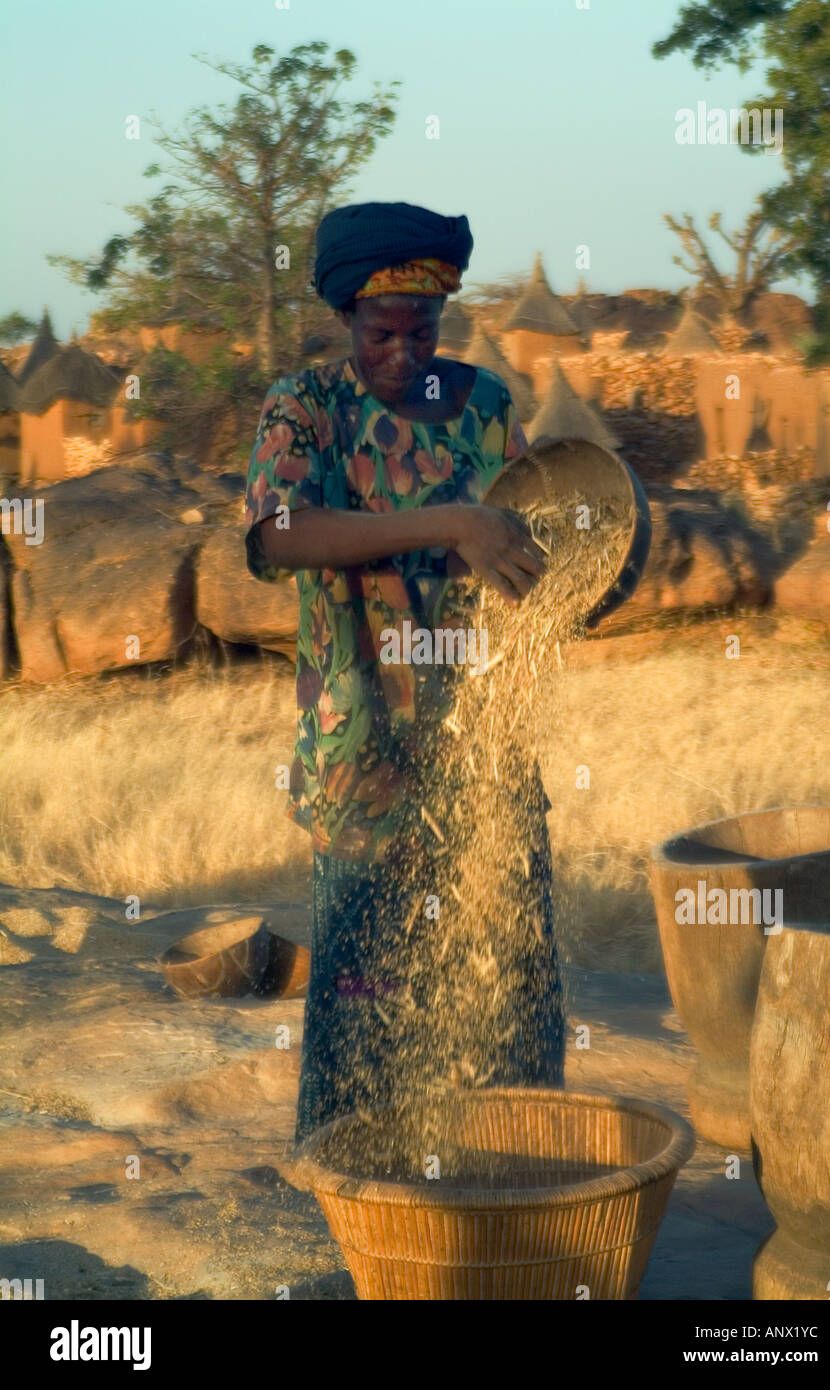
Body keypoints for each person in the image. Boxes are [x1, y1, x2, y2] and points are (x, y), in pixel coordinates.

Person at [244, 200, 565, 1142]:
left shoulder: (485, 408)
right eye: (382, 332)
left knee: (503, 972)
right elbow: (278, 534)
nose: (403, 352)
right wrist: (450, 523)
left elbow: (528, 541)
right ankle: (354, 1199)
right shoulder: (304, 407)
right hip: (361, 745)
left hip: (479, 739)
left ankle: (512, 1177)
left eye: (421, 330)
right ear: (348, 322)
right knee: (358, 981)